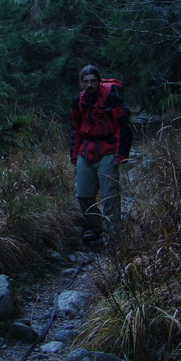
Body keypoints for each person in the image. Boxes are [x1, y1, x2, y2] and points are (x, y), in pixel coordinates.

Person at [70, 65, 132, 244]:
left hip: (108, 149)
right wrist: (74, 156)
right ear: (81, 83)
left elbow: (123, 127)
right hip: (86, 150)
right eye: (86, 81)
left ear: (98, 81)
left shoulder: (111, 98)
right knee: (83, 195)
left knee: (110, 196)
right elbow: (75, 131)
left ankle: (113, 236)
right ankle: (97, 228)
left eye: (92, 81)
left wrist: (121, 155)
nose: (89, 85)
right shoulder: (78, 102)